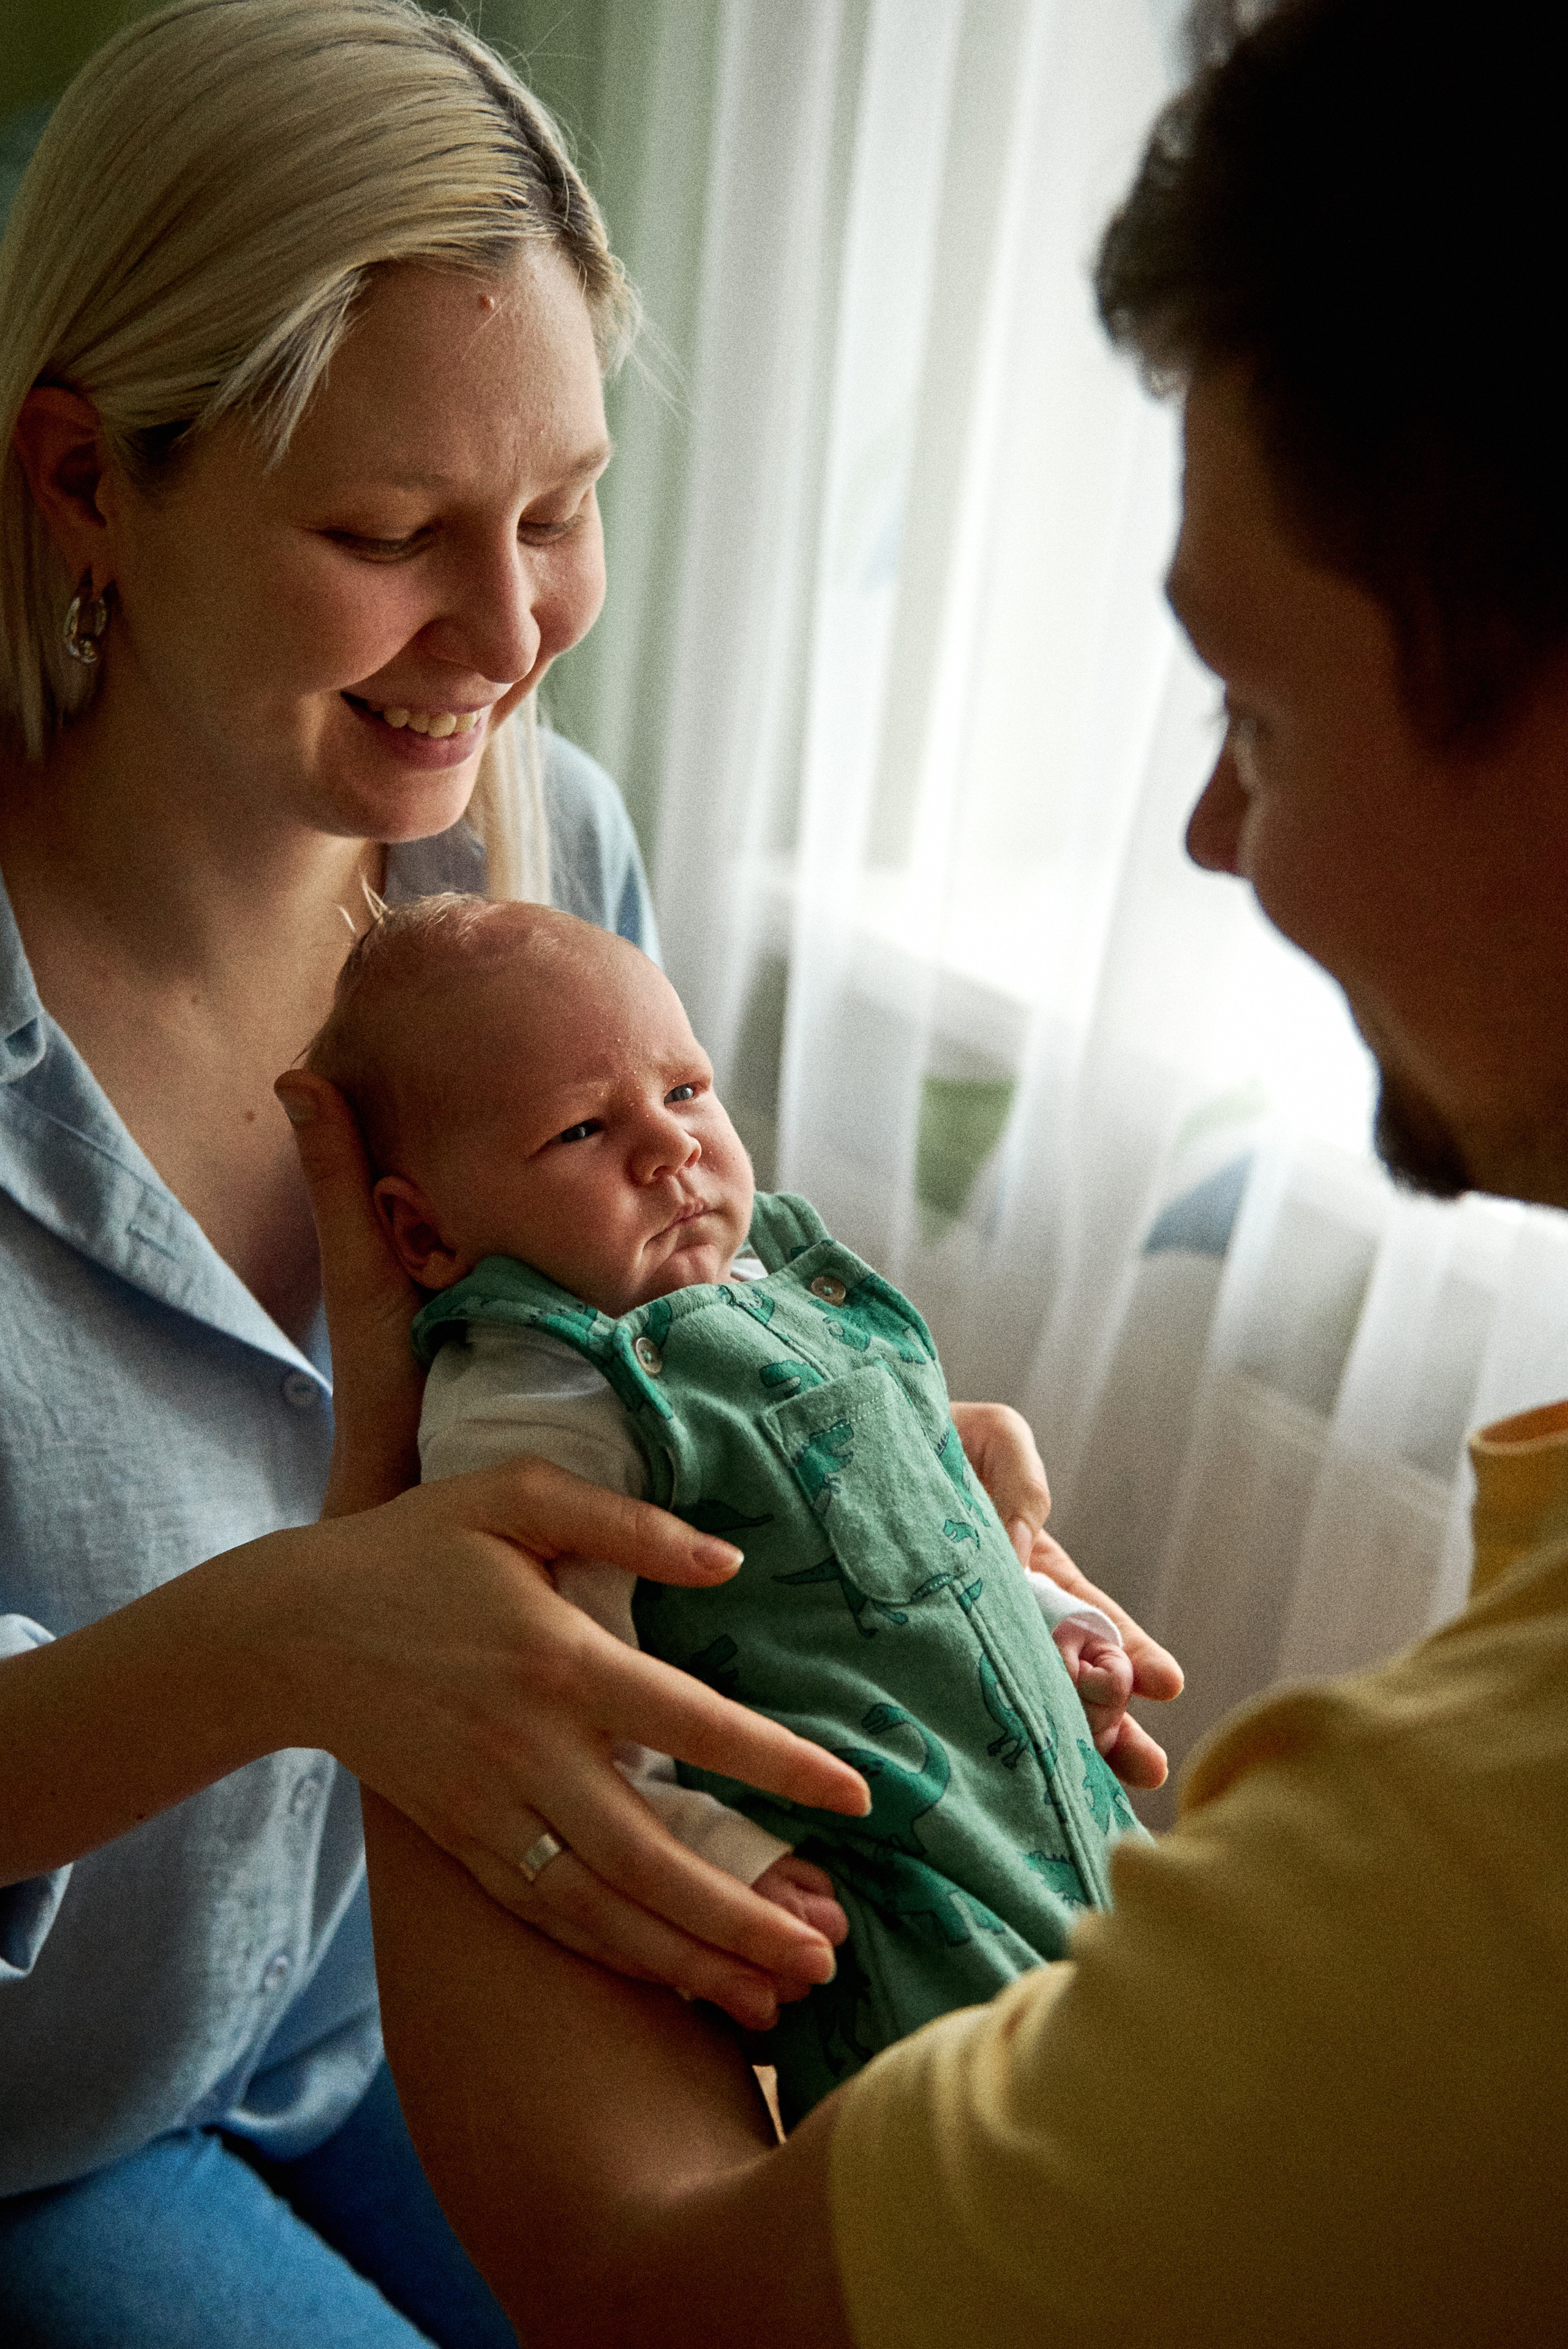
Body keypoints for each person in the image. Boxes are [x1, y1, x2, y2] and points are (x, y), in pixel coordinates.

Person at [333, 1, 1568, 2343]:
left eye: (1257, 713)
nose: (1212, 836)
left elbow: (663, 2282)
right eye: (386, 527)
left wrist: (390, 1595)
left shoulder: (1468, 1868)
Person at [0, 4, 1176, 2338]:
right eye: (389, 535)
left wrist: (887, 1502)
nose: (519, 633)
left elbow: (648, 1353)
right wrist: (297, 1638)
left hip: (407, 1988)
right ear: (81, 479)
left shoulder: (537, 877)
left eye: (560, 509)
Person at [301, 892, 1148, 2120]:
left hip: (1034, 1782)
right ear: (423, 1232)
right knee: (1018, 2130)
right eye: (583, 1129)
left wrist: (1036, 1611)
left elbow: (914, 1519)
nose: (669, 1149)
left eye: (687, 1091)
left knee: (1183, 2047)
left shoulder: (772, 1283)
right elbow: (545, 1696)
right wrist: (716, 1854)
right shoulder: (542, 1399)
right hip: (885, 1876)